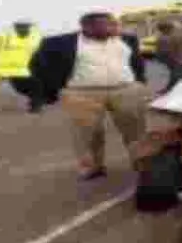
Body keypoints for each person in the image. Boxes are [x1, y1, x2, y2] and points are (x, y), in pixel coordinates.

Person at [29, 11, 149, 182]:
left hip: (125, 90)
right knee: (88, 133)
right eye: (105, 25)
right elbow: (37, 65)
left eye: (112, 24)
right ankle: (94, 167)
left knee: (135, 129)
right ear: (87, 27)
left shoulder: (127, 39)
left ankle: (141, 163)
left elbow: (137, 62)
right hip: (82, 93)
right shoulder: (59, 43)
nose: (112, 28)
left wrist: (139, 81)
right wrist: (57, 89)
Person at [0, 20, 44, 113]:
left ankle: (35, 104)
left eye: (25, 27)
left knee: (35, 85)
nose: (22, 29)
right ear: (16, 29)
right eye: (19, 27)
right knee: (19, 86)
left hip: (31, 68)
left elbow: (39, 53)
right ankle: (34, 100)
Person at [155, 20, 182, 94]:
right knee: (176, 75)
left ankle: (168, 90)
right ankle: (168, 89)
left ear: (164, 29)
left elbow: (165, 52)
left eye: (160, 29)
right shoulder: (180, 33)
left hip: (176, 60)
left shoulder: (165, 37)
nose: (160, 31)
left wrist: (161, 59)